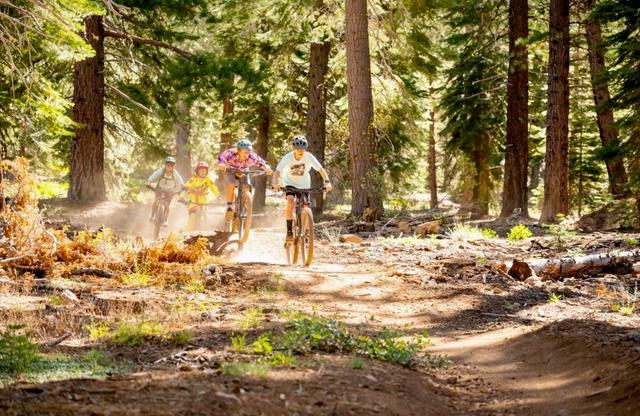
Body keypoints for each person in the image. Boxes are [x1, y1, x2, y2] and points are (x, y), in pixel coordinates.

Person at [271, 135, 332, 244]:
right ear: (294, 149)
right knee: (290, 202)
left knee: (306, 206)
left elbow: (321, 170)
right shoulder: (288, 157)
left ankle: (306, 232)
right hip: (289, 184)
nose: (301, 151)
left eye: (303, 149)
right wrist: (275, 183)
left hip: (304, 185)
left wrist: (327, 182)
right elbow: (277, 172)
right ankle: (289, 231)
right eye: (298, 149)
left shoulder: (309, 156)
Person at [217, 138, 272, 221]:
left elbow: (261, 163)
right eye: (244, 151)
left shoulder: (252, 156)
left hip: (243, 171)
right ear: (238, 150)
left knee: (247, 186)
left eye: (248, 151)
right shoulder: (231, 153)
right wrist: (221, 164)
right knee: (231, 184)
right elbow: (221, 158)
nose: (247, 154)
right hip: (229, 170)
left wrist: (267, 168)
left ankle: (242, 207)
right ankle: (229, 208)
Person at [179, 161, 220, 231]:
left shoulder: (208, 180)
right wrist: (181, 197)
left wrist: (218, 195)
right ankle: (187, 232)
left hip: (203, 202)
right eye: (201, 171)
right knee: (192, 216)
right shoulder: (193, 180)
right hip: (193, 202)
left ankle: (202, 233)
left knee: (203, 218)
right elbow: (184, 188)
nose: (203, 172)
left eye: (205, 171)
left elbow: (213, 188)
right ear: (197, 171)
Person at [145, 156, 184, 225]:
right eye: (168, 165)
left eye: (171, 165)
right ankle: (152, 216)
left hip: (170, 190)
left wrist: (182, 188)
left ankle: (165, 220)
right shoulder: (161, 171)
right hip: (160, 188)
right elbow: (153, 176)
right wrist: (149, 181)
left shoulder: (175, 173)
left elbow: (181, 181)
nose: (169, 167)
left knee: (167, 205)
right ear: (165, 165)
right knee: (156, 200)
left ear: (173, 166)